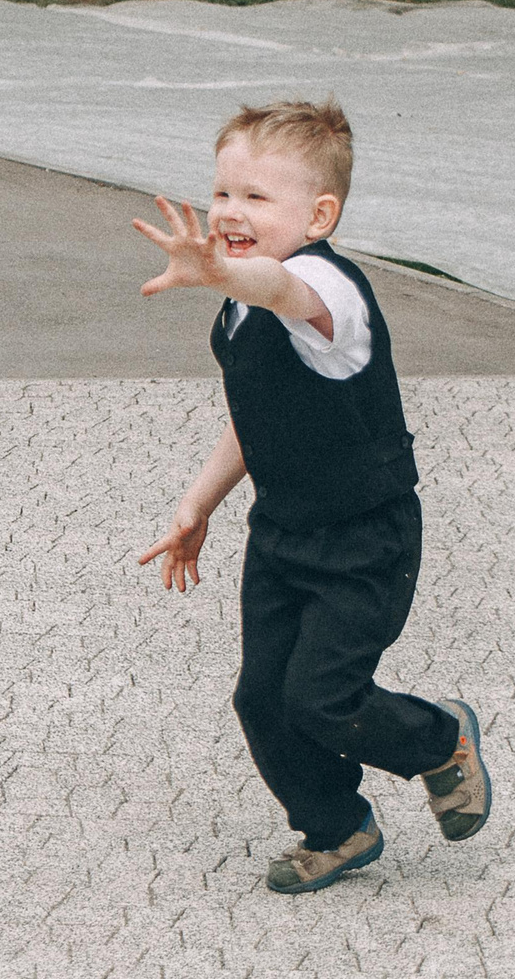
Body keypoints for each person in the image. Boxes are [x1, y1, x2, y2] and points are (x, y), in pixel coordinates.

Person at [134, 99, 493, 896]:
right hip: (284, 534)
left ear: (319, 213)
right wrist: (199, 503)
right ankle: (336, 827)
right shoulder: (240, 306)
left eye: (257, 198)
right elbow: (253, 414)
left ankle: (441, 739)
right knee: (262, 700)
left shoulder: (324, 287)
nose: (230, 210)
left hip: (366, 537)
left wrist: (227, 271)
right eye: (223, 191)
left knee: (322, 697)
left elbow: (281, 288)